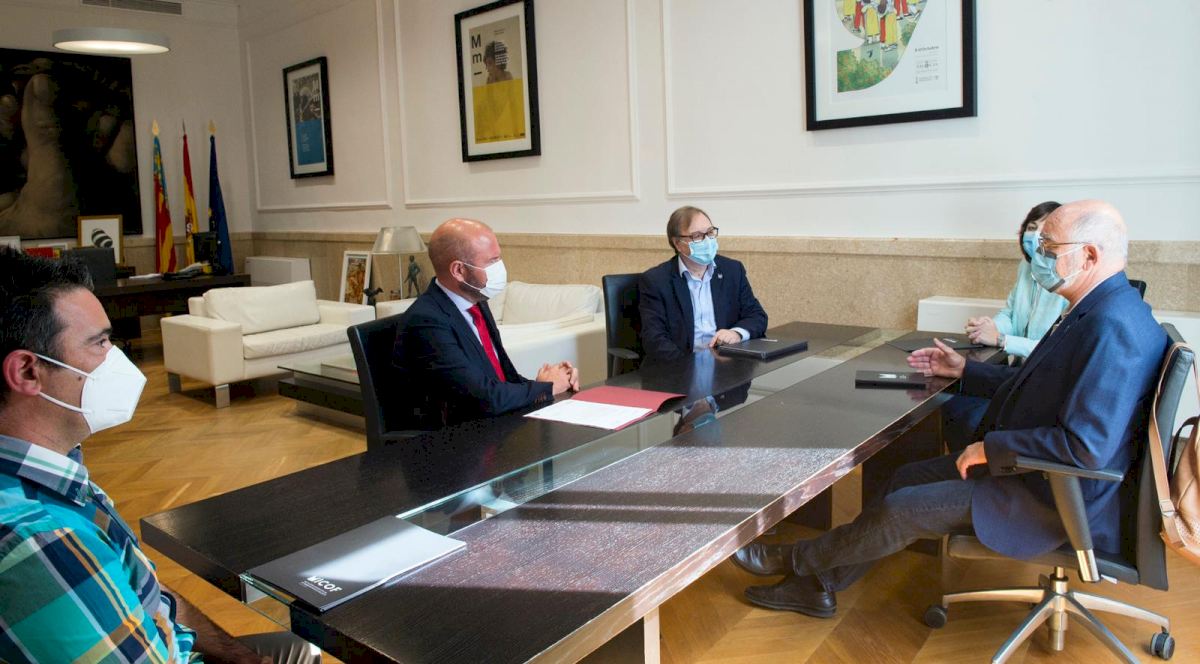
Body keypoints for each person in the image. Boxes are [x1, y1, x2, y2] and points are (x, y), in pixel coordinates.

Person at [731, 200, 1168, 620]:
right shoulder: (1101, 309)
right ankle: (819, 585)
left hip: (1054, 496)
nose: (1040, 257)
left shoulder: (1113, 327)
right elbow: (1038, 382)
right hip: (1034, 474)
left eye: (1050, 248)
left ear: (1089, 255)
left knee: (902, 509)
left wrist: (990, 449)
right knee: (904, 477)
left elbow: (1086, 447)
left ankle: (794, 559)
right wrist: (964, 371)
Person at [0, 247, 319, 663]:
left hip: (167, 642)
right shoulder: (41, 541)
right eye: (100, 343)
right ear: (28, 371)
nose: (117, 359)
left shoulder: (55, 469)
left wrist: (241, 656)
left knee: (296, 650)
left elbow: (147, 593)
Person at [394, 218, 578, 427]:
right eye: (492, 261)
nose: (500, 268)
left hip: (493, 420)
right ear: (459, 270)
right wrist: (547, 387)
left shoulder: (477, 302)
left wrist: (556, 380)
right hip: (456, 435)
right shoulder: (426, 322)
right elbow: (483, 398)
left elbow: (502, 377)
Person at [943, 201, 1070, 451]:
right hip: (1016, 373)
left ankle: (976, 461)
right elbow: (1011, 313)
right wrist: (990, 326)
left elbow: (1054, 351)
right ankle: (962, 462)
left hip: (1039, 385)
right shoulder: (1026, 267)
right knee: (952, 397)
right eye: (1031, 227)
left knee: (963, 404)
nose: (1035, 235)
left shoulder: (1069, 279)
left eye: (1044, 229)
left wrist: (1003, 340)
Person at [638, 206, 768, 362]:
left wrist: (736, 333)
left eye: (710, 232)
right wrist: (688, 368)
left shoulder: (732, 270)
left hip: (726, 365)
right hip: (678, 367)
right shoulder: (656, 281)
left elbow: (756, 316)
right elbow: (654, 339)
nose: (707, 241)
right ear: (678, 244)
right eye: (697, 236)